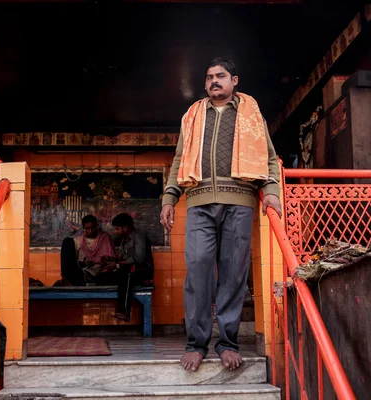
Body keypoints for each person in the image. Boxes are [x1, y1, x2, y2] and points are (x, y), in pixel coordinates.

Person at [160, 58, 282, 372]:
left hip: (239, 202)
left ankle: (227, 343)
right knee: (198, 269)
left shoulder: (251, 114)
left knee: (233, 273)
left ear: (234, 80)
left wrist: (272, 192)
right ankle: (196, 344)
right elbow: (179, 160)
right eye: (210, 77)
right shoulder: (192, 116)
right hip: (198, 202)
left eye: (221, 76)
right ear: (204, 84)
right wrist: (169, 198)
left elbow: (269, 157)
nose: (215, 81)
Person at [100, 213, 154, 322]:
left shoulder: (139, 237)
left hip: (143, 269)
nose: (115, 232)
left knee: (127, 277)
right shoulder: (124, 240)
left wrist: (118, 264)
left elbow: (139, 259)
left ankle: (124, 312)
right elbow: (124, 259)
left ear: (125, 227)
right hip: (129, 269)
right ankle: (143, 282)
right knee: (104, 276)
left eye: (117, 229)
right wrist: (112, 261)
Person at [56, 215, 116, 286]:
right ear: (83, 228)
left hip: (101, 273)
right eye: (87, 228)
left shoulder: (105, 237)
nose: (90, 231)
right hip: (82, 273)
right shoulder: (78, 240)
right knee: (67, 241)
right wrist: (83, 264)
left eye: (93, 227)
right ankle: (65, 279)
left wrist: (102, 261)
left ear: (96, 226)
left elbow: (112, 259)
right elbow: (72, 262)